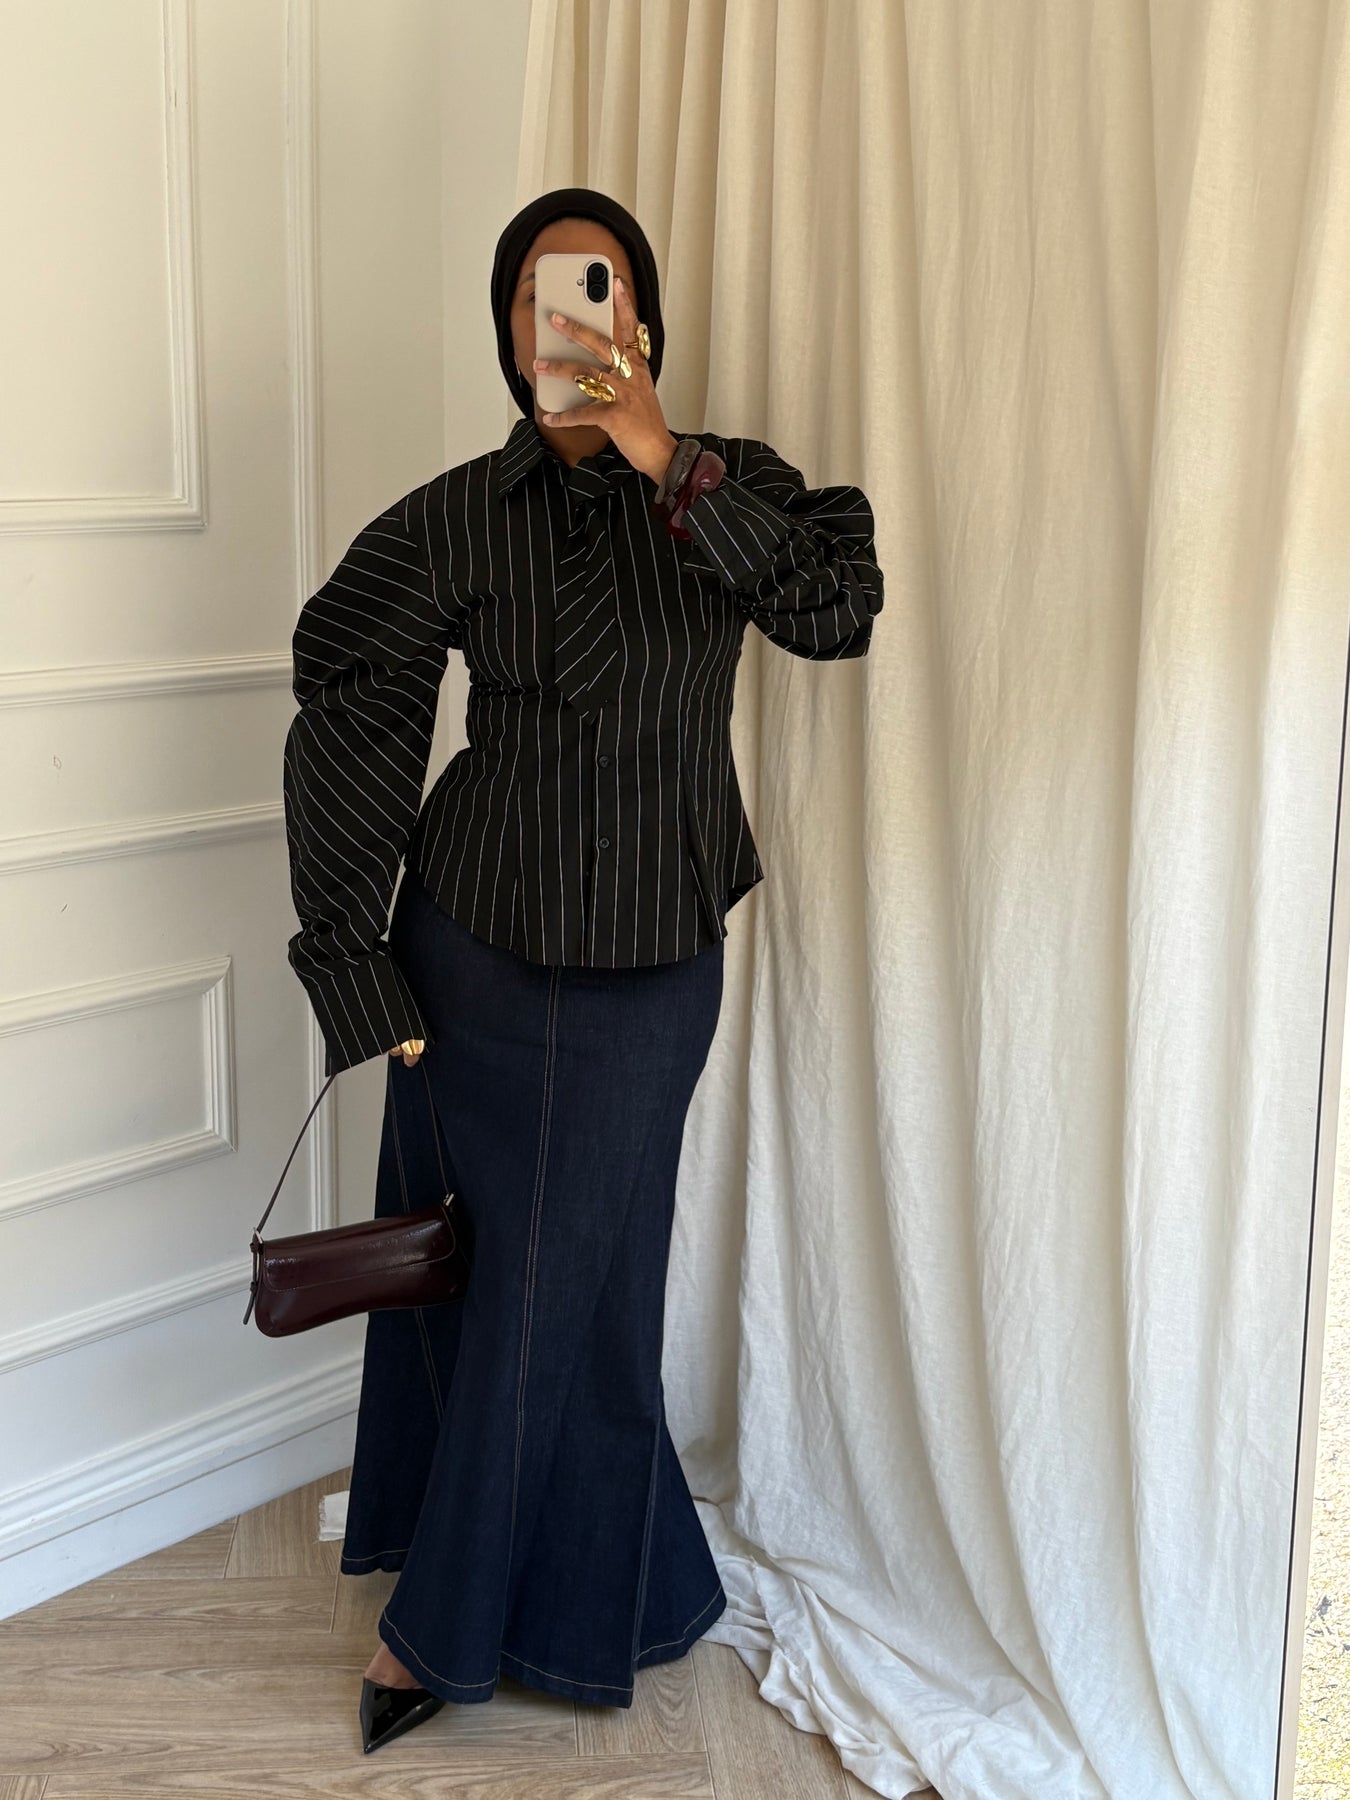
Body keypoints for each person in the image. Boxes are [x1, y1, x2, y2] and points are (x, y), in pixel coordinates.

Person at [280, 186, 885, 1753]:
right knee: (507, 1283)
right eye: (534, 303)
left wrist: (660, 454)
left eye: (594, 295)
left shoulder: (730, 486)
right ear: (505, 335)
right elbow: (347, 689)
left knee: (570, 1290)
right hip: (469, 953)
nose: (563, 327)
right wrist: (357, 968)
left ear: (641, 319)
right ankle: (593, 1596)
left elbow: (836, 610)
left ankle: (455, 1623)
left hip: (652, 961)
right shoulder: (455, 514)